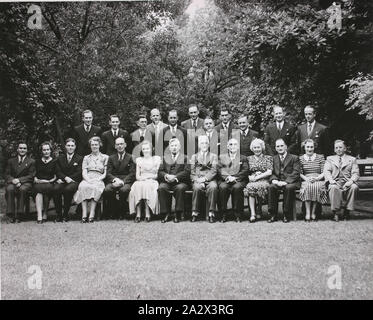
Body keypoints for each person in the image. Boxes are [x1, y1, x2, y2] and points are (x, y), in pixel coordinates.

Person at [73, 137, 108, 223]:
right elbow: (84, 171)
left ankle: (92, 214)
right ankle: (84, 214)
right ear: (90, 146)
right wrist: (88, 180)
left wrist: (98, 179)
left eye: (96, 144)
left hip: (99, 177)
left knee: (95, 188)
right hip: (88, 177)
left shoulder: (105, 157)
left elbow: (105, 173)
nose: (94, 146)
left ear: (100, 145)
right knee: (82, 186)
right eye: (92, 145)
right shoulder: (86, 158)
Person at [324, 140, 360, 222]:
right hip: (335, 182)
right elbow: (327, 171)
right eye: (336, 148)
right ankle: (336, 213)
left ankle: (347, 211)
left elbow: (356, 173)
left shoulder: (352, 159)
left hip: (347, 182)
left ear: (345, 149)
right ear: (334, 150)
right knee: (333, 187)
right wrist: (331, 180)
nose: (338, 149)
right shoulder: (330, 159)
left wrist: (350, 182)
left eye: (340, 147)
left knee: (354, 187)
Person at [268, 138, 300, 223]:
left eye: (282, 145)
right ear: (275, 148)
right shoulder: (273, 158)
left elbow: (296, 172)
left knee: (288, 188)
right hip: (277, 181)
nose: (280, 148)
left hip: (290, 182)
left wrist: (286, 181)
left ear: (286, 147)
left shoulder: (294, 158)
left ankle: (286, 214)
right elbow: (271, 172)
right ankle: (273, 214)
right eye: (278, 146)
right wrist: (274, 180)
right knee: (271, 187)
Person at [158, 138, 190, 223]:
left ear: (179, 147)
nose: (174, 147)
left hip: (180, 181)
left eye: (176, 145)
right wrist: (166, 175)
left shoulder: (185, 158)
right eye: (172, 146)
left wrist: (175, 177)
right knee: (162, 188)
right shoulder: (164, 158)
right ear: (169, 147)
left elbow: (187, 172)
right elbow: (160, 171)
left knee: (180, 188)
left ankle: (178, 213)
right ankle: (166, 213)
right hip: (167, 181)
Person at [129, 141, 161, 222]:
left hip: (152, 181)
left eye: (147, 148)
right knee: (137, 186)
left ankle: (147, 212)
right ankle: (138, 213)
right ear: (141, 150)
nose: (146, 150)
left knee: (146, 186)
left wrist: (148, 178)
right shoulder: (139, 160)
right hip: (141, 180)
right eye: (144, 149)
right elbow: (137, 176)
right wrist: (142, 179)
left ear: (151, 149)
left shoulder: (156, 159)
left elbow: (157, 175)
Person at [103, 137, 135, 219]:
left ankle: (122, 211)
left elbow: (132, 173)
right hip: (114, 180)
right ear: (115, 146)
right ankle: (113, 210)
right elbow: (108, 172)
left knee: (124, 190)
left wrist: (123, 182)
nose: (120, 146)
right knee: (107, 190)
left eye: (121, 144)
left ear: (125, 145)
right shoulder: (111, 157)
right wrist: (115, 180)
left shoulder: (131, 157)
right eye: (118, 144)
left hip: (126, 181)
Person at [218, 138, 249, 223]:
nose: (233, 146)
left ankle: (238, 215)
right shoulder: (222, 157)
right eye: (231, 144)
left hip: (239, 180)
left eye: (235, 144)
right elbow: (220, 169)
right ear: (227, 146)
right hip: (226, 180)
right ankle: (223, 214)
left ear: (238, 146)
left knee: (237, 187)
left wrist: (235, 177)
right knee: (222, 187)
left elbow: (245, 170)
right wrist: (228, 177)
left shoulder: (243, 157)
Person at [53, 138, 82, 222]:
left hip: (74, 181)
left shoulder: (79, 158)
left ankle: (65, 214)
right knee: (56, 189)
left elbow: (79, 172)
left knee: (68, 189)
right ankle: (59, 214)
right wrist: (65, 178)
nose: (70, 147)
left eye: (72, 146)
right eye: (68, 145)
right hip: (63, 180)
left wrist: (70, 178)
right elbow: (58, 171)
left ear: (75, 147)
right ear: (65, 146)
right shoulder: (60, 158)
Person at [190, 135, 219, 222]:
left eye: (206, 143)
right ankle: (195, 212)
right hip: (198, 179)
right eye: (202, 143)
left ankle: (211, 213)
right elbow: (192, 172)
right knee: (197, 187)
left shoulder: (214, 156)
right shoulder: (194, 156)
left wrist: (205, 179)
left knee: (213, 187)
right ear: (199, 145)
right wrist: (198, 180)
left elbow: (214, 170)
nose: (204, 145)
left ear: (209, 145)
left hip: (210, 179)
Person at [5, 142, 35, 223]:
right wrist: (13, 180)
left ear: (27, 150)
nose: (22, 150)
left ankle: (19, 214)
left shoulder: (31, 161)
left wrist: (19, 180)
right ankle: (10, 214)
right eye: (21, 148)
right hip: (13, 182)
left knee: (22, 189)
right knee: (9, 189)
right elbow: (7, 174)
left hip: (26, 183)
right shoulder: (11, 161)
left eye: (24, 148)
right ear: (17, 149)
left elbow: (31, 175)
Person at [244, 138, 273, 223]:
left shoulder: (268, 158)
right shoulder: (248, 158)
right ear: (252, 149)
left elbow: (269, 172)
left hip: (264, 179)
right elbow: (246, 171)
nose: (257, 149)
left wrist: (258, 176)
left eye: (258, 147)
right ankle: (253, 214)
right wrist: (250, 177)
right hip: (252, 179)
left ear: (262, 148)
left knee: (259, 186)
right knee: (250, 187)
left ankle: (259, 210)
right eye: (255, 147)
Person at [299, 139, 328, 222]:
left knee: (316, 186)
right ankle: (307, 213)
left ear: (314, 147)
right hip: (306, 179)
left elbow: (324, 171)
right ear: (304, 148)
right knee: (308, 186)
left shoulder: (320, 157)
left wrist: (317, 178)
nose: (309, 149)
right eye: (307, 147)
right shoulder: (301, 158)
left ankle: (313, 212)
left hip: (318, 178)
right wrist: (307, 179)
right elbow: (300, 173)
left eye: (311, 147)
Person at [33, 142, 57, 223]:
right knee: (39, 191)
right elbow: (34, 174)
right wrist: (35, 179)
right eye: (44, 150)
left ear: (51, 151)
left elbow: (56, 175)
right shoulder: (37, 161)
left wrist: (50, 181)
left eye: (48, 150)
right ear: (41, 151)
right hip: (39, 183)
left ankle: (45, 213)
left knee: (46, 190)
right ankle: (40, 215)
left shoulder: (54, 161)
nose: (46, 151)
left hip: (49, 183)